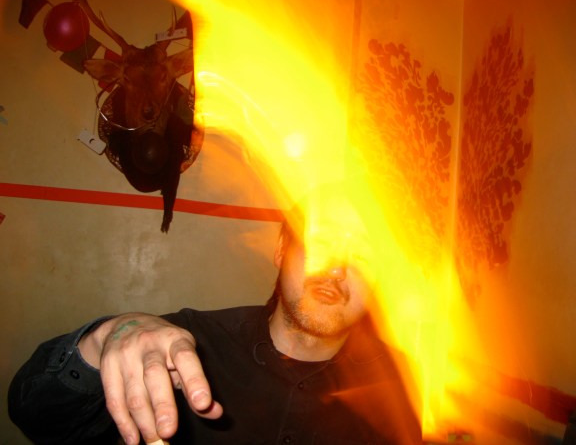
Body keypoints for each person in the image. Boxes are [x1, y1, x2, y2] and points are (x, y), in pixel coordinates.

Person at [8, 188, 422, 445]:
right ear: (281, 250)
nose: (337, 269)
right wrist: (101, 342)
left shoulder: (406, 389)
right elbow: (37, 419)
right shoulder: (186, 345)